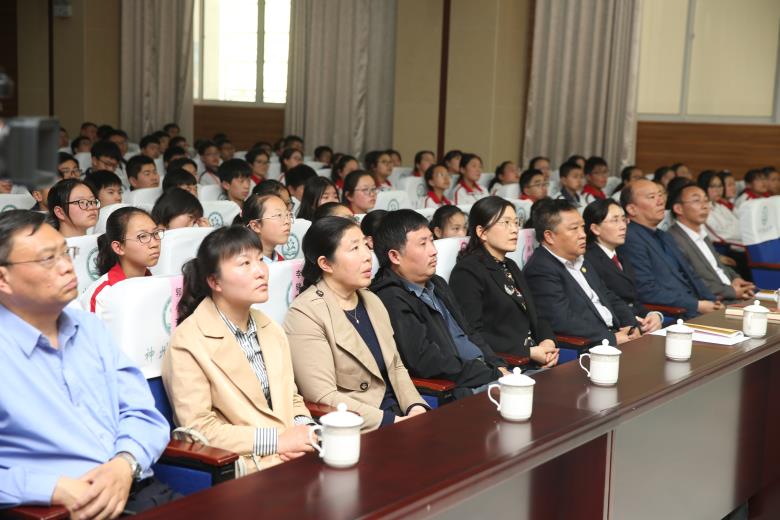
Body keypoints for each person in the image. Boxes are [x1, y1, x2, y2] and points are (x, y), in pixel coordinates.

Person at [0, 210, 175, 515]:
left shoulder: (90, 327)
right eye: (48, 259)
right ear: (3, 278)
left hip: (138, 486)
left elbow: (143, 413)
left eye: (66, 253)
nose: (67, 267)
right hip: (62, 509)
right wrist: (48, 488)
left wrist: (125, 462)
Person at [162, 226, 315, 474]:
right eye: (245, 263)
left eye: (260, 259)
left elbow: (291, 397)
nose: (260, 271)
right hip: (247, 466)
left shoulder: (270, 328)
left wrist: (304, 430)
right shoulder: (188, 341)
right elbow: (199, 430)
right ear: (214, 281)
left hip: (294, 455)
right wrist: (278, 441)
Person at [284, 216, 429, 430]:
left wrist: (415, 407)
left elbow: (396, 366)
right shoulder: (305, 313)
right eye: (354, 248)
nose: (368, 256)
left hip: (400, 414)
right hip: (361, 426)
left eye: (365, 245)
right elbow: (322, 396)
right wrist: (392, 422)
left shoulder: (371, 299)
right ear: (326, 263)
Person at [371, 210, 510, 397]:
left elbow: (469, 332)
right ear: (395, 256)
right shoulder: (391, 298)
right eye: (423, 244)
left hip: (485, 374)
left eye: (432, 241)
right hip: (460, 388)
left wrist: (498, 365)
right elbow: (426, 361)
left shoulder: (437, 283)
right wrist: (491, 374)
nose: (433, 250)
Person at [450, 197, 559, 367]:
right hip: (506, 365)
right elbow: (472, 333)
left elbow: (535, 314)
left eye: (516, 222)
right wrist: (528, 352)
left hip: (534, 358)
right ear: (482, 232)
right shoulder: (467, 271)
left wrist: (547, 342)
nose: (514, 229)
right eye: (506, 223)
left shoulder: (510, 265)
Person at [523, 199, 641, 346]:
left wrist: (631, 325)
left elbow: (608, 296)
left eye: (582, 227)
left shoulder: (580, 259)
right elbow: (562, 321)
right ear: (549, 236)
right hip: (591, 346)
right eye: (574, 229)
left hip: (616, 334)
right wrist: (611, 338)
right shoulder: (540, 269)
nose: (583, 234)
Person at [620, 179, 720, 318]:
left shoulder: (664, 235)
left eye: (660, 195)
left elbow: (691, 275)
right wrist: (697, 305)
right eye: (652, 197)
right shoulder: (630, 238)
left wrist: (713, 301)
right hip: (676, 313)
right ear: (632, 209)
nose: (660, 201)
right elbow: (646, 290)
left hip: (697, 307)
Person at [582, 199, 663, 332]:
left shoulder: (621, 255)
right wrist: (633, 322)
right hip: (617, 328)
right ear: (595, 228)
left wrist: (653, 315)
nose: (623, 226)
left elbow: (632, 300)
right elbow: (605, 302)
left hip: (635, 323)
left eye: (624, 220)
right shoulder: (587, 260)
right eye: (615, 220)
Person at [667, 183, 754, 302]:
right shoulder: (673, 239)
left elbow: (717, 266)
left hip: (732, 295)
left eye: (706, 200)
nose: (705, 206)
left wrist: (735, 278)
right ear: (678, 208)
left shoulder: (701, 233)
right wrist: (732, 292)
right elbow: (693, 281)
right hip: (714, 302)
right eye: (696, 200)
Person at [79, 207, 163, 315]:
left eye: (156, 233)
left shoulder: (158, 284)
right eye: (142, 236)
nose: (155, 244)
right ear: (118, 247)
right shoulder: (103, 295)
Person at [238, 194, 291, 263]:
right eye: (278, 215)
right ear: (255, 226)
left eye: (287, 214)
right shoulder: (243, 264)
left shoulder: (281, 261)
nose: (287, 221)